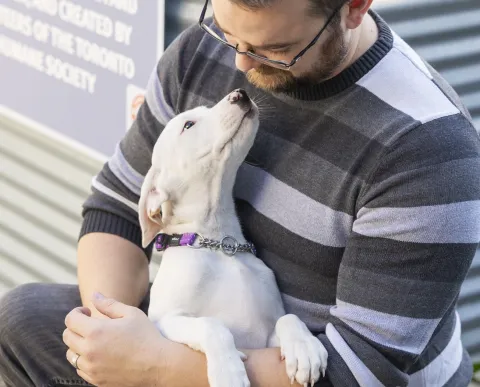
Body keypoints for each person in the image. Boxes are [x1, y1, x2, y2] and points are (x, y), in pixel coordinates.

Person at [1, 0, 479, 385]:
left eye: (275, 49)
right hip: (203, 337)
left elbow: (360, 372)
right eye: (228, 34)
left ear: (355, 7)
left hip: (308, 367)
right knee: (22, 319)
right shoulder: (201, 51)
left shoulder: (429, 151)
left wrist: (159, 370)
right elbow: (117, 206)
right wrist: (119, 335)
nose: (240, 64)